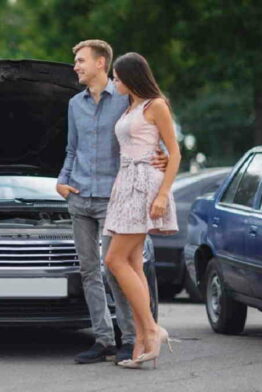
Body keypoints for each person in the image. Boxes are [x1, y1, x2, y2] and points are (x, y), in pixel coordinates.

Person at [56, 40, 167, 365]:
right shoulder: (74, 104)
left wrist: (158, 158)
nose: (75, 66)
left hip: (115, 198)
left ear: (101, 63)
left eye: (80, 60)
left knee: (115, 269)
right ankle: (103, 339)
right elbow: (71, 150)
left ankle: (130, 337)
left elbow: (147, 133)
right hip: (79, 196)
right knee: (89, 270)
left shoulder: (124, 99)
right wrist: (62, 180)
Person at [103, 52, 180, 369]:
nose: (114, 81)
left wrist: (162, 194)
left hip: (145, 185)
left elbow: (174, 154)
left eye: (118, 77)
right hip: (124, 183)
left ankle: (152, 328)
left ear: (132, 77)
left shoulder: (155, 105)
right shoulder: (129, 107)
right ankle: (142, 341)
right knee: (132, 262)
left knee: (114, 259)